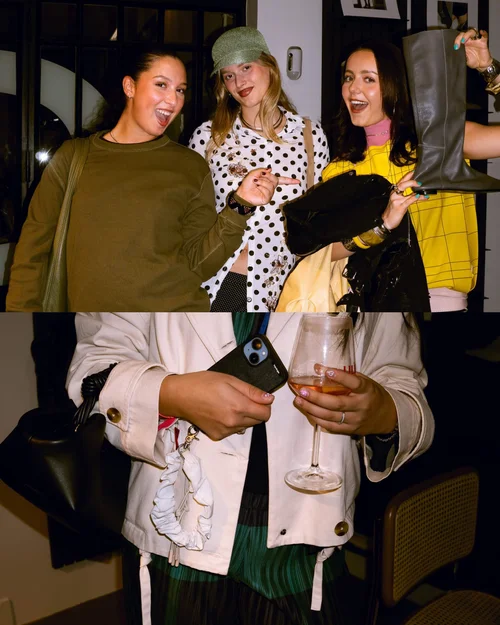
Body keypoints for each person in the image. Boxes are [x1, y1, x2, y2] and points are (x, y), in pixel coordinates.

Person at [67, 311, 434, 625]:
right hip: (176, 533)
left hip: (308, 537)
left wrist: (384, 412)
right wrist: (173, 394)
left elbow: (404, 386)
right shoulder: (135, 248)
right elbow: (94, 369)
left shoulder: (372, 253)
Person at [6, 44, 297, 312]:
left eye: (180, 90)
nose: (173, 100)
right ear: (130, 86)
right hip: (98, 328)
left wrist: (241, 204)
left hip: (175, 321)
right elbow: (31, 254)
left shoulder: (190, 166)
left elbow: (199, 265)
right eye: (161, 85)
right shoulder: (73, 158)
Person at [278, 30, 500, 313]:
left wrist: (488, 68)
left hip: (440, 304)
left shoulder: (442, 143)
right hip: (369, 307)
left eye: (369, 79)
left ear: (394, 85)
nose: (353, 88)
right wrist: (382, 226)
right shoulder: (341, 170)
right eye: (349, 77)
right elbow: (323, 252)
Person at [188, 27, 329, 312]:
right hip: (220, 284)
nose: (239, 81)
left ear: (269, 66)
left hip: (284, 290)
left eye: (246, 67)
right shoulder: (208, 138)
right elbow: (189, 220)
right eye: (228, 75)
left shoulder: (310, 136)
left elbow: (319, 223)